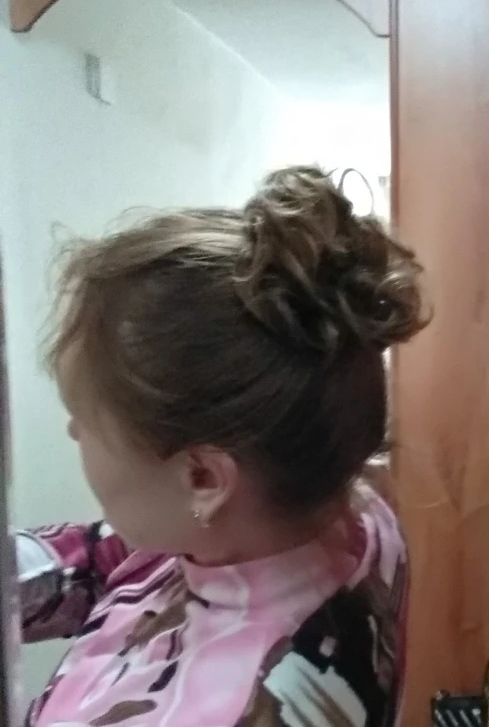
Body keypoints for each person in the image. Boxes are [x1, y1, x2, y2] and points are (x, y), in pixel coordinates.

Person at [17, 165, 427, 727]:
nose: (72, 432)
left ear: (203, 478)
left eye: (84, 418)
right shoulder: (347, 508)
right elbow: (115, 558)